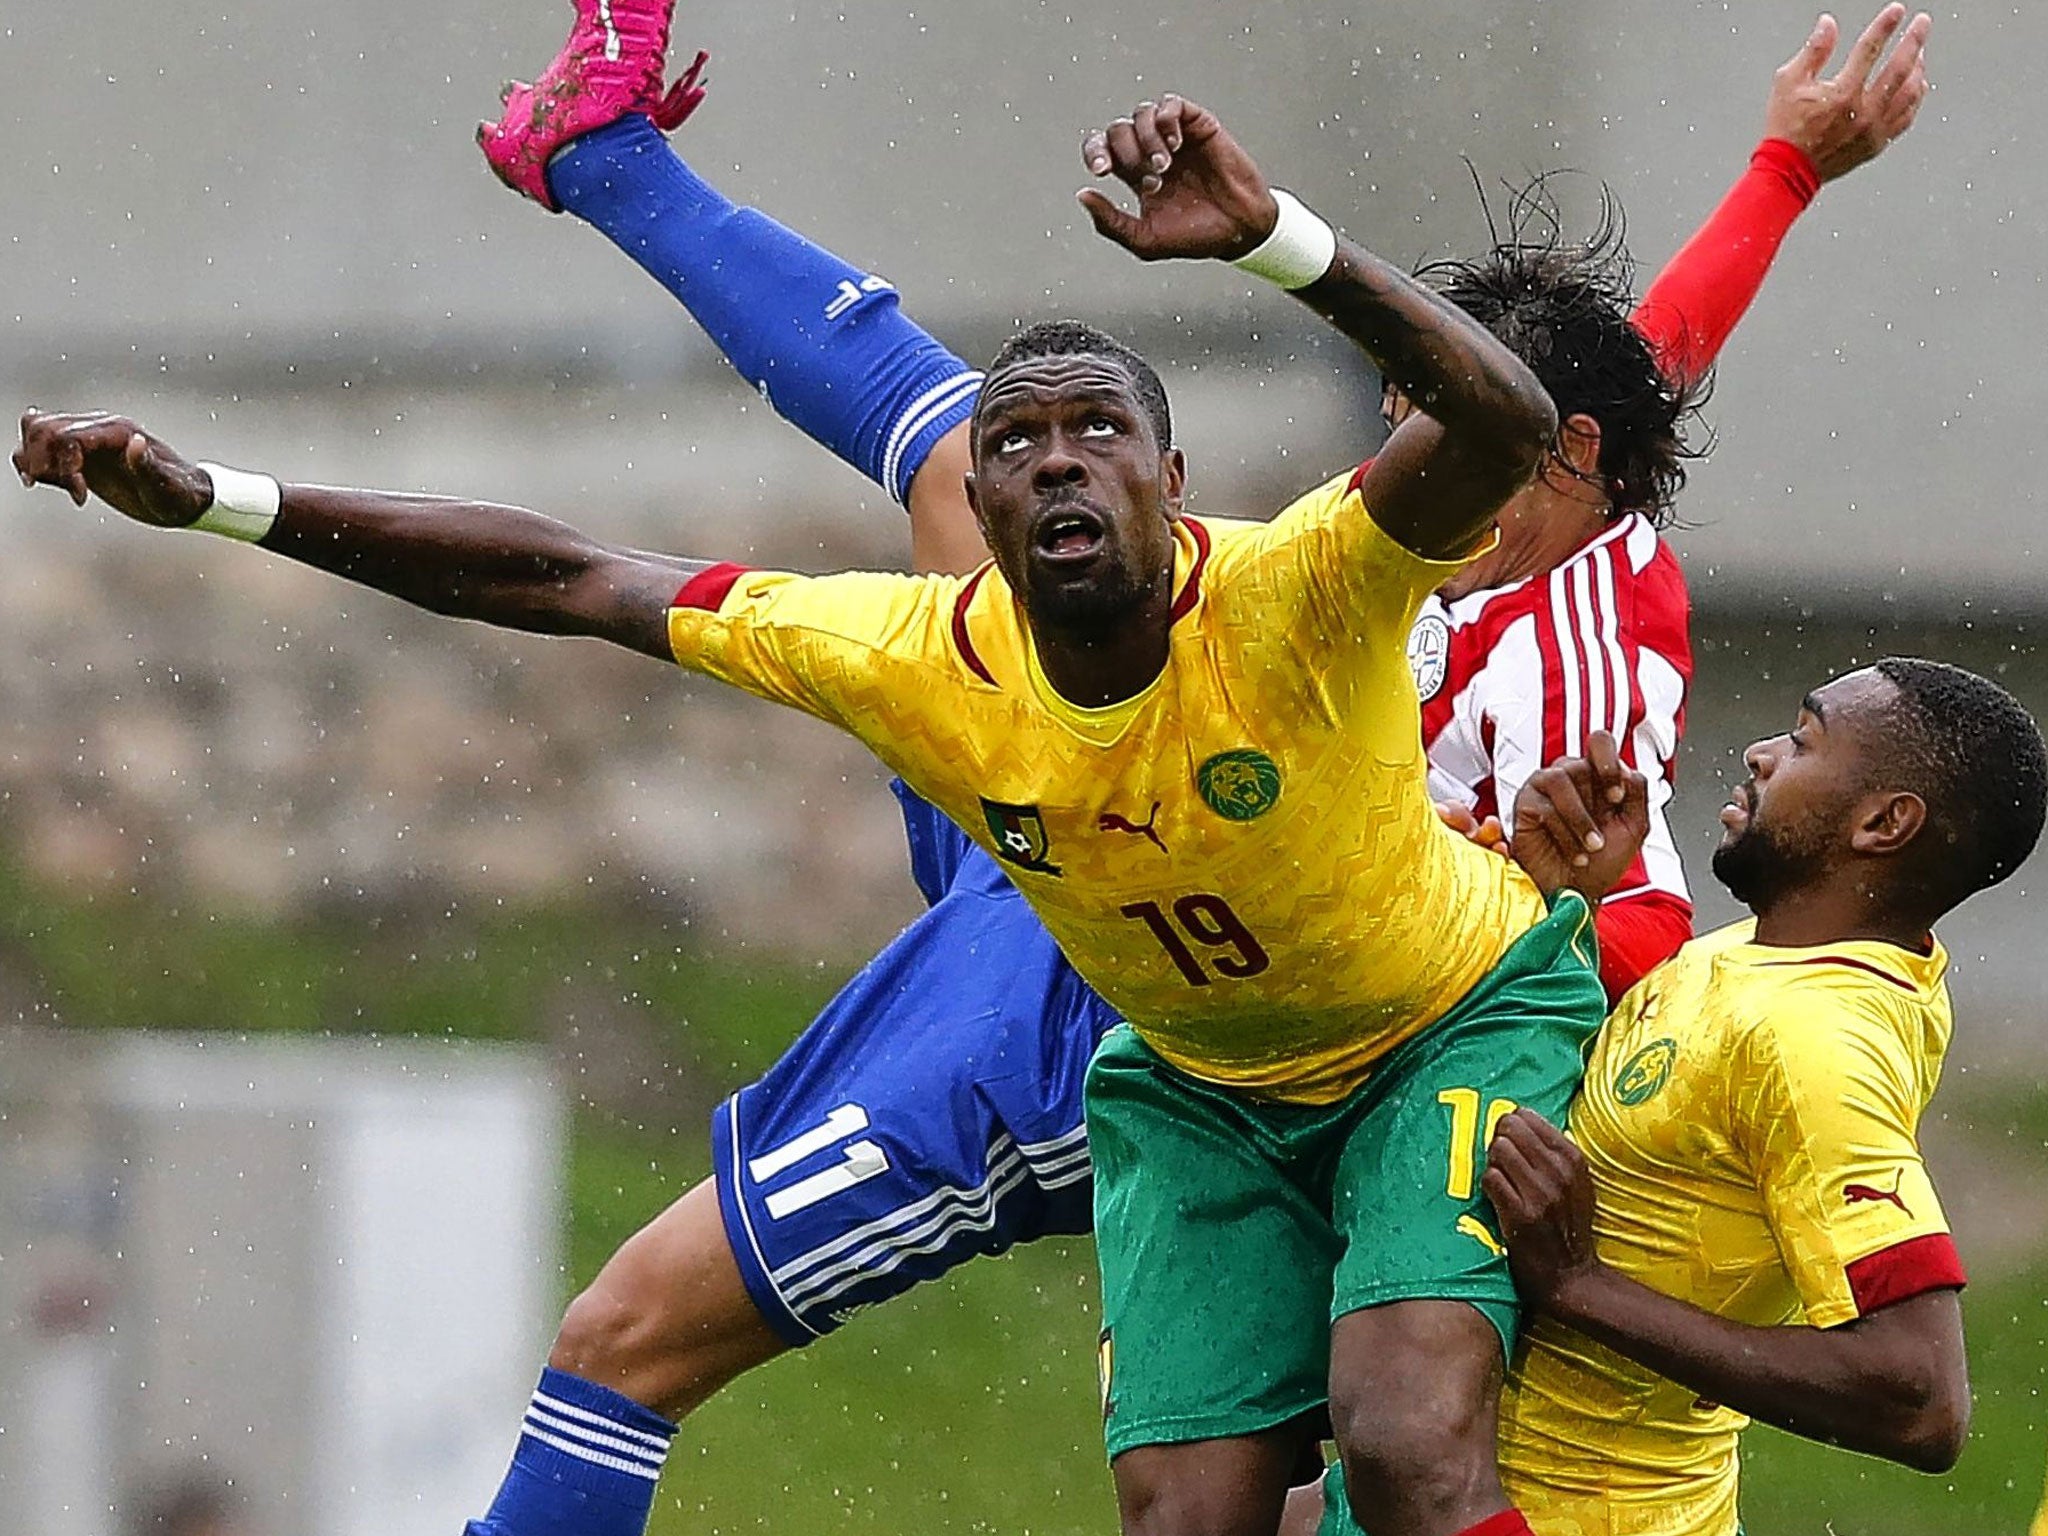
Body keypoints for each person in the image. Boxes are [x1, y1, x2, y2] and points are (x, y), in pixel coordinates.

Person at [17, 85, 1645, 1536]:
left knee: (1397, 1439)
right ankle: (612, 164)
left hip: (1368, 1020)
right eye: (1022, 448)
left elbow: (1498, 423)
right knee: (1184, 1505)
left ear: (1179, 473)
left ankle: (613, 168)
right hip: (1170, 1047)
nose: (1056, 465)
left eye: (1100, 438)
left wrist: (1280, 241)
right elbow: (570, 574)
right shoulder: (918, 642)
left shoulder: (1318, 583)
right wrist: (226, 503)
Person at [1302, 657, 2047, 1535]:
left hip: (1558, 1512)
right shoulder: (1772, 956)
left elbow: (1921, 1399)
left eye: (1802, 742)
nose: (1762, 755)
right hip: (1447, 1475)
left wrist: (1579, 1286)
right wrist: (1571, 896)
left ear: (1884, 823)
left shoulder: (1817, 1039)